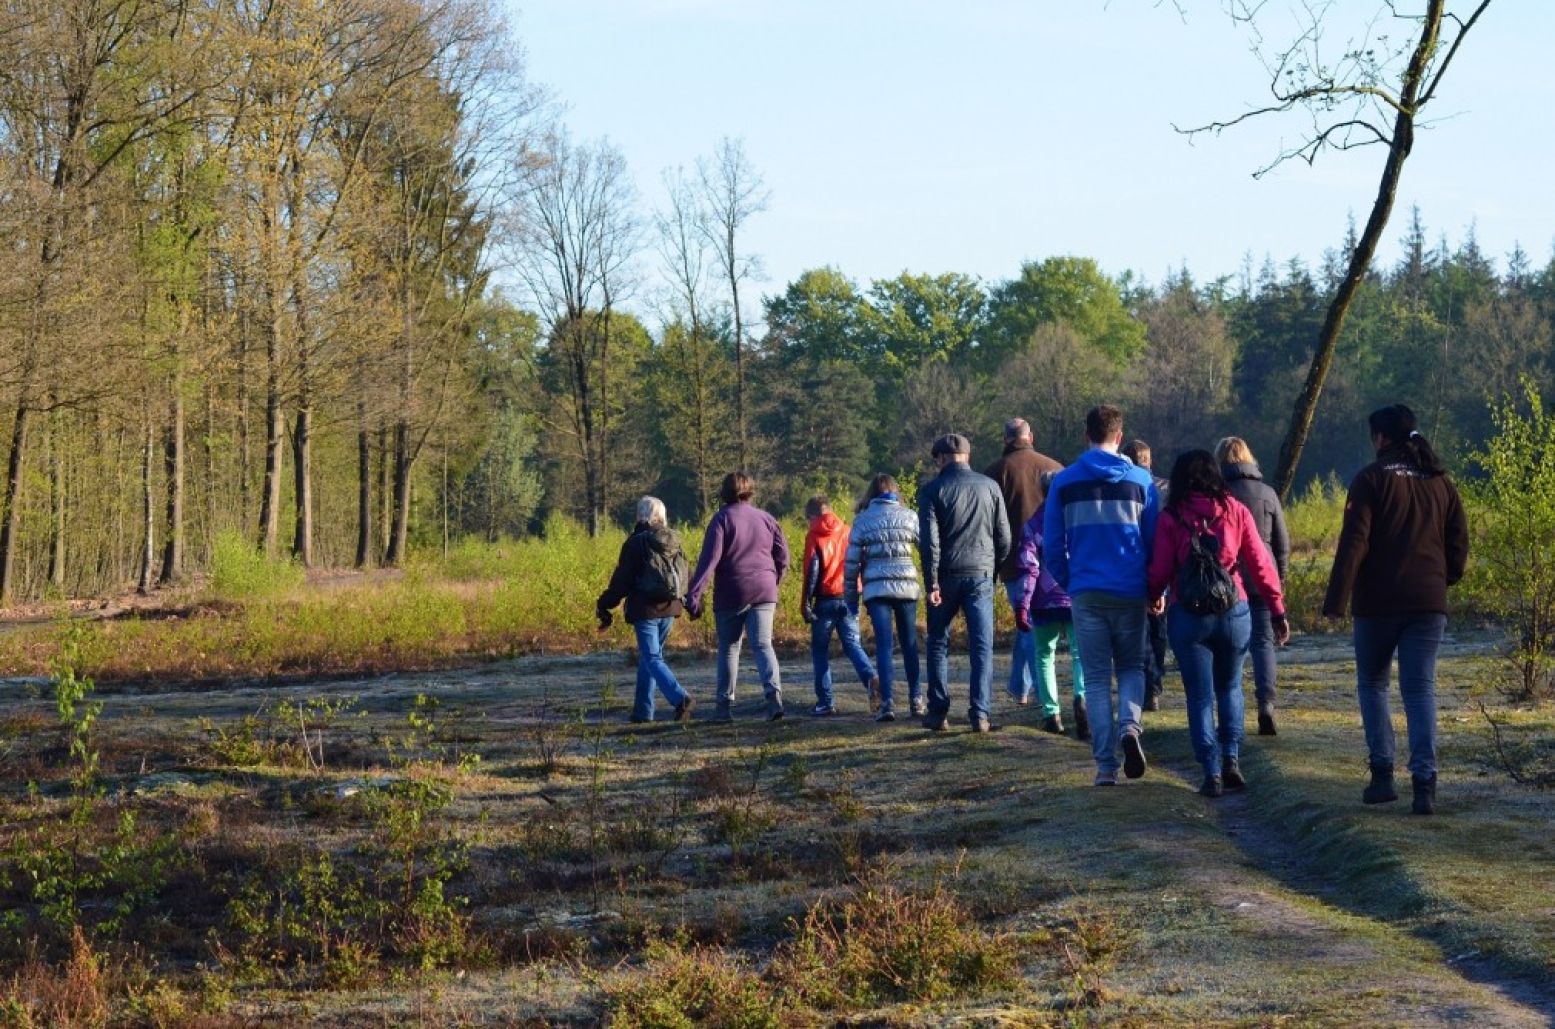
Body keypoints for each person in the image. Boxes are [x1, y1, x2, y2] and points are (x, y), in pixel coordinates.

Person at [1323, 405, 1469, 815]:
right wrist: (1446, 578)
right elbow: (1459, 541)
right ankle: (1425, 784)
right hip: (1427, 602)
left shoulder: (1370, 480)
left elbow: (1355, 542)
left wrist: (1336, 600)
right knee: (1419, 689)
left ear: (1381, 438)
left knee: (1373, 685)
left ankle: (1383, 775)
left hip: (1377, 604)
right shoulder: (1442, 483)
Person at [1147, 451, 1290, 797]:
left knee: (1198, 696)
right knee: (1230, 687)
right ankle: (1231, 758)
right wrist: (1277, 609)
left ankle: (1209, 770)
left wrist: (1152, 595)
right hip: (1234, 611)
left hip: (1188, 615)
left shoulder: (1171, 517)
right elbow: (1260, 563)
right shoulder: (1235, 511)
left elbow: (1160, 569)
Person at [1043, 406, 1160, 786]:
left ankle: (1106, 767)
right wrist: (1156, 588)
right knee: (1130, 667)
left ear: (1086, 434)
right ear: (1120, 435)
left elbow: (1051, 546)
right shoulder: (1142, 481)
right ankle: (1130, 727)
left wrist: (1070, 581)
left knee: (1094, 678)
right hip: (1130, 589)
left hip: (1087, 591)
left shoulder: (1064, 482)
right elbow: (1155, 543)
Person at [918, 433, 1010, 733]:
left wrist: (931, 581)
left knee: (938, 642)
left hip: (946, 575)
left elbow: (929, 543)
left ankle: (938, 711)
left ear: (942, 458)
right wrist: (992, 569)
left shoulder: (932, 490)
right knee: (982, 646)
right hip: (981, 574)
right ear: (967, 456)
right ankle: (980, 714)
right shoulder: (990, 487)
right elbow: (1004, 538)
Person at [684, 472, 791, 722]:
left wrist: (694, 596)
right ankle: (774, 698)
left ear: (724, 492)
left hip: (732, 591)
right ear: (750, 491)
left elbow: (709, 562)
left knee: (730, 648)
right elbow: (783, 557)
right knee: (763, 644)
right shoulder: (767, 519)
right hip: (764, 589)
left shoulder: (721, 520)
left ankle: (724, 707)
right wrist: (773, 580)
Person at [1215, 436, 1292, 736]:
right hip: (1262, 578)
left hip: (1227, 580)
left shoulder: (1219, 495)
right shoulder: (1268, 493)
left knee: (1225, 646)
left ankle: (1228, 709)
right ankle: (1266, 705)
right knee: (1263, 644)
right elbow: (1282, 545)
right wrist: (1279, 580)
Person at [984, 418, 1063, 707]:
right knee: (1028, 623)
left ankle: (1043, 697)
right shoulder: (1056, 467)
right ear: (1032, 436)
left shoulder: (994, 473)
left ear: (1005, 439)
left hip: (1015, 559)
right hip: (1055, 559)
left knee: (1028, 622)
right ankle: (1020, 687)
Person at [595, 496, 695, 723]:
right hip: (670, 608)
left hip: (646, 610)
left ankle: (681, 699)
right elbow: (688, 575)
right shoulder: (673, 541)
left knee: (651, 658)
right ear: (661, 515)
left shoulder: (636, 542)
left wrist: (605, 603)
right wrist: (694, 603)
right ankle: (643, 711)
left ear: (641, 515)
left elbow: (622, 580)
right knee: (650, 658)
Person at [1013, 469, 1087, 739]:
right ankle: (1082, 698)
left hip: (1044, 600)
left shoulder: (1033, 525)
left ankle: (1051, 713)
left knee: (1044, 655)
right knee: (1081, 653)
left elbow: (1028, 567)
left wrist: (1023, 603)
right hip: (1077, 595)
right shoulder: (1078, 521)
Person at [845, 474, 924, 721]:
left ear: (871, 494)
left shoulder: (863, 520)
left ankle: (887, 703)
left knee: (884, 646)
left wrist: (850, 598)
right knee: (910, 643)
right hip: (907, 588)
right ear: (895, 492)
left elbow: (851, 564)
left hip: (876, 590)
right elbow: (926, 549)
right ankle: (916, 699)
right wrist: (932, 582)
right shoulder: (910, 516)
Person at [801, 495, 879, 716]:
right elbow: (859, 561)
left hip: (825, 599)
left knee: (820, 650)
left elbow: (812, 571)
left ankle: (826, 702)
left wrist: (805, 602)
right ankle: (871, 679)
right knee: (853, 645)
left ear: (813, 515)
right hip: (849, 596)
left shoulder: (813, 535)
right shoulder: (847, 531)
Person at [1122, 439, 1169, 713]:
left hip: (1133, 565)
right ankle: (1155, 684)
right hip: (1161, 564)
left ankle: (1145, 685)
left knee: (1139, 632)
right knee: (1159, 630)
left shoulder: (1124, 487)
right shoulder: (1164, 488)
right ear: (1149, 460)